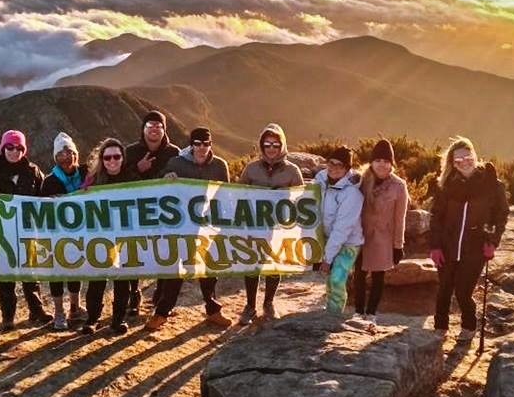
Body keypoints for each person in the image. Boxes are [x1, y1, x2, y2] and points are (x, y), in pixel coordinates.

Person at [145, 127, 233, 331]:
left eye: (206, 144)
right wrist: (166, 179)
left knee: (208, 270)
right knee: (176, 270)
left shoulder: (220, 165)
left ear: (211, 145)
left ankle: (213, 310)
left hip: (208, 225)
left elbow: (227, 194)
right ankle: (162, 312)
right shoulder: (177, 162)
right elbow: (159, 185)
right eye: (197, 144)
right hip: (181, 226)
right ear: (191, 145)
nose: (202, 148)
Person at [429, 136, 509, 342]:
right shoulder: (445, 185)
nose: (465, 162)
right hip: (447, 245)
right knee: (444, 287)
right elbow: (436, 217)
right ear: (452, 163)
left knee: (463, 291)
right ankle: (440, 327)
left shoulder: (491, 184)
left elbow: (501, 214)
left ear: (475, 156)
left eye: (468, 157)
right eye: (458, 160)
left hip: (475, 248)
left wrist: (492, 240)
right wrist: (435, 246)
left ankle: (468, 326)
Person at [0, 130, 52, 332]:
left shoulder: (33, 171)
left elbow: (42, 195)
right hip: (2, 231)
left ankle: (36, 309)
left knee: (31, 273)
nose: (15, 151)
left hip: (28, 230)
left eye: (19, 148)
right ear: (2, 148)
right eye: (10, 147)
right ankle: (8, 316)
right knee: (5, 276)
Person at [237, 123, 304, 324]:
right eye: (267, 144)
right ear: (261, 145)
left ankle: (269, 303)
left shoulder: (292, 171)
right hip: (254, 226)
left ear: (282, 145)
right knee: (252, 265)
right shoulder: (251, 169)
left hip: (279, 228)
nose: (271, 148)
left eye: (276, 144)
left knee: (274, 264)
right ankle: (250, 306)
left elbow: (302, 198)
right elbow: (239, 194)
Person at [123, 110, 180, 315]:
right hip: (136, 209)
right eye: (150, 125)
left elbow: (179, 178)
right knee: (135, 250)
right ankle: (134, 292)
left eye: (159, 126)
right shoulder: (131, 151)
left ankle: (161, 293)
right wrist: (139, 168)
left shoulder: (174, 152)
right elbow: (120, 178)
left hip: (164, 212)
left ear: (164, 130)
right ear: (143, 129)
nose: (154, 129)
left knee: (164, 249)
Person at [80, 138, 138, 335]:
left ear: (122, 158)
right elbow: (80, 204)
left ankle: (118, 320)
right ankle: (92, 319)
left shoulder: (133, 178)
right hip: (100, 237)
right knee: (97, 280)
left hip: (125, 237)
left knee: (123, 281)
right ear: (102, 160)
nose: (112, 161)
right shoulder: (93, 180)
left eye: (116, 156)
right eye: (107, 157)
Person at [353, 139, 409, 327]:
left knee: (378, 276)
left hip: (383, 238)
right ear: (371, 162)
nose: (382, 165)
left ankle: (371, 314)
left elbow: (400, 218)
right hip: (360, 235)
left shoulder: (399, 186)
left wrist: (398, 245)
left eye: (386, 161)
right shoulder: (360, 181)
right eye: (378, 160)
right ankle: (358, 312)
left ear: (392, 163)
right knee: (359, 274)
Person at [40, 131, 88, 330]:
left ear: (76, 154)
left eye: (70, 152)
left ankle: (75, 308)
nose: (66, 157)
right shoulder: (50, 181)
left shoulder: (86, 174)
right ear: (55, 158)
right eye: (61, 154)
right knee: (58, 271)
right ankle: (59, 311)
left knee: (76, 268)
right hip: (57, 234)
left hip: (82, 232)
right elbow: (42, 208)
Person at [314, 146, 365, 316]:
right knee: (330, 278)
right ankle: (330, 307)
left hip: (350, 241)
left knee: (336, 277)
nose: (334, 168)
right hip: (328, 238)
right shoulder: (320, 181)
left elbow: (342, 229)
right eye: (331, 163)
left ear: (347, 169)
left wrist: (327, 258)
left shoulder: (352, 194)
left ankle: (334, 315)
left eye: (340, 165)